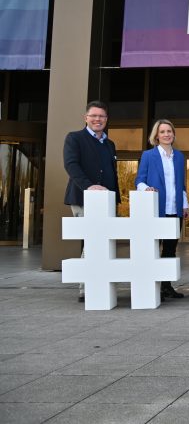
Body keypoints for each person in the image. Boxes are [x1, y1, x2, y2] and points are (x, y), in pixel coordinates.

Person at [63, 100, 120, 303]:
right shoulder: (75, 138)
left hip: (106, 202)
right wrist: (89, 186)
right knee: (92, 240)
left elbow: (112, 175)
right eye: (94, 116)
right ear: (86, 118)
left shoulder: (109, 143)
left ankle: (98, 281)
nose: (98, 119)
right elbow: (71, 165)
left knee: (102, 241)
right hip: (83, 199)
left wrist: (116, 199)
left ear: (106, 120)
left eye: (102, 116)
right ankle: (85, 288)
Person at [136, 119, 189, 300]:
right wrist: (146, 189)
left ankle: (166, 287)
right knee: (153, 248)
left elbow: (181, 183)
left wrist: (185, 205)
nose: (167, 134)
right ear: (156, 136)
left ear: (173, 134)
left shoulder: (180, 156)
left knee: (170, 249)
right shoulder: (148, 156)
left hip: (175, 210)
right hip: (157, 209)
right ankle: (151, 285)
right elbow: (139, 180)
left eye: (169, 131)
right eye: (163, 132)